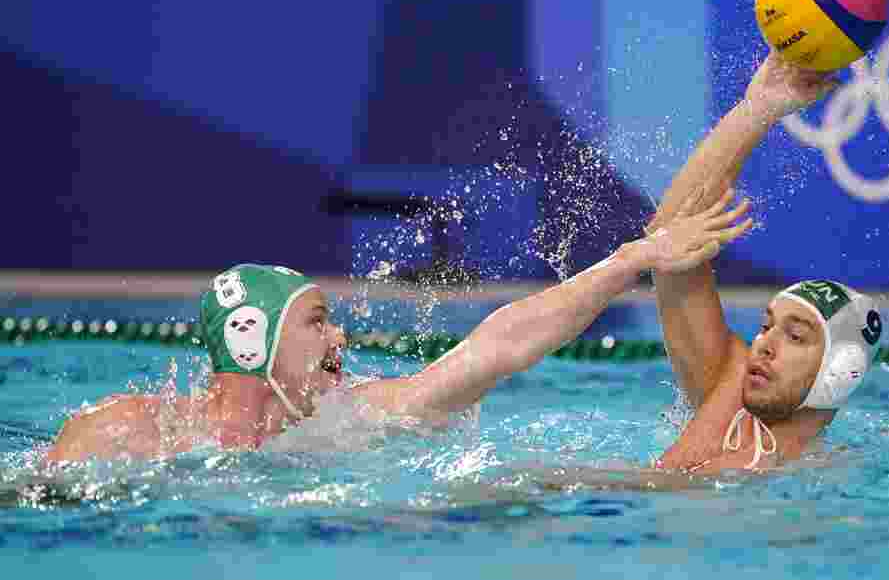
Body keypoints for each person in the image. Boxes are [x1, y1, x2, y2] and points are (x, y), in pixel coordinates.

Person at [44, 194, 753, 463]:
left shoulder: (351, 419)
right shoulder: (120, 433)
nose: (341, 339)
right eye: (318, 321)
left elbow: (497, 346)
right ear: (253, 340)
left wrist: (633, 258)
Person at [645, 48, 884, 475]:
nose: (764, 345)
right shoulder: (730, 388)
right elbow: (670, 243)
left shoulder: (828, 488)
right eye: (765, 326)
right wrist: (758, 110)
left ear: (840, 371)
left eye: (795, 336)